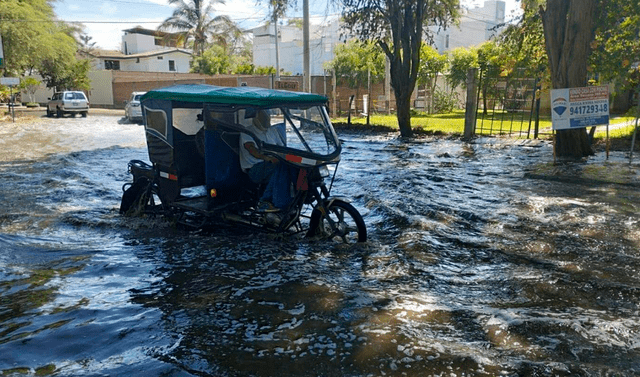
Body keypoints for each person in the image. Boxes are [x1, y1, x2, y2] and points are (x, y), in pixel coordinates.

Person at [239, 109, 293, 212]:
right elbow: (252, 149)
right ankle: (265, 201)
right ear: (257, 118)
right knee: (281, 168)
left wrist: (297, 157)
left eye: (268, 117)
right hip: (254, 168)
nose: (267, 120)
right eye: (264, 118)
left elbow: (282, 149)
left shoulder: (272, 131)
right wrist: (267, 158)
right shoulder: (247, 131)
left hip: (272, 164)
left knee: (294, 167)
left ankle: (291, 200)